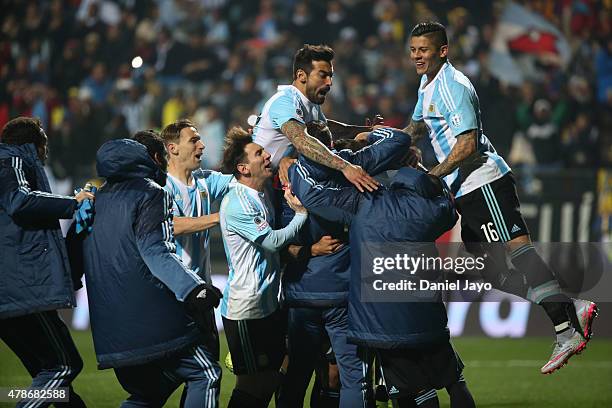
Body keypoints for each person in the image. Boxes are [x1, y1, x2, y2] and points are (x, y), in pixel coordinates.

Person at [403, 21, 597, 374]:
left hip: (484, 182)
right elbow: (416, 128)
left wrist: (433, 176)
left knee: (518, 253)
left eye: (424, 49)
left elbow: (468, 144)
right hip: (468, 190)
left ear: (442, 51)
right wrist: (378, 140)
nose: (417, 55)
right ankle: (569, 306)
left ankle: (565, 328)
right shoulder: (426, 85)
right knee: (489, 270)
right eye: (414, 49)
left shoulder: (452, 86)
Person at [287, 128, 475, 408]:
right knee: (454, 381)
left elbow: (312, 195)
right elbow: (446, 203)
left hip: (384, 320)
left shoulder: (361, 202)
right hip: (427, 312)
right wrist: (421, 172)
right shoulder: (424, 205)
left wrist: (297, 161)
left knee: (417, 390)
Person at [277, 122, 417, 408]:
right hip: (344, 295)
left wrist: (308, 249)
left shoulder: (290, 181)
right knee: (354, 377)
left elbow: (277, 245)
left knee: (297, 374)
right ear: (329, 146)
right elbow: (400, 139)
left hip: (303, 293)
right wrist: (369, 134)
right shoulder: (358, 169)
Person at [81, 131, 223, 407]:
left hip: (109, 331)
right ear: (157, 158)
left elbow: (79, 253)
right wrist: (194, 288)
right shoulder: (151, 193)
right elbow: (155, 251)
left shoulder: (95, 199)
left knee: (149, 394)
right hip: (149, 318)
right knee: (205, 372)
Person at [0, 116, 92, 408]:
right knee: (64, 365)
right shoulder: (10, 161)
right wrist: (72, 203)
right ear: (32, 144)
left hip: (12, 288)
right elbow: (20, 200)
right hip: (20, 288)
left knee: (51, 380)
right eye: (45, 144)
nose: (47, 152)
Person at [219, 127, 308, 407]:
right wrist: (300, 215)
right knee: (252, 384)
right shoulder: (238, 201)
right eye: (259, 153)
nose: (267, 154)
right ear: (243, 168)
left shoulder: (259, 193)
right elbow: (271, 241)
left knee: (270, 378)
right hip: (247, 308)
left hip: (267, 303)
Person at [253, 43, 378, 193]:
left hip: (274, 185)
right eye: (322, 75)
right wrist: (345, 167)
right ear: (301, 76)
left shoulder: (310, 103)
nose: (329, 82)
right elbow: (302, 141)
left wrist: (369, 130)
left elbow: (327, 130)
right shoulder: (285, 102)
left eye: (330, 76)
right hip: (255, 184)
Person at [161, 119, 235, 359]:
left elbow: (244, 181)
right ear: (173, 148)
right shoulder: (161, 187)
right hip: (173, 296)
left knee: (208, 371)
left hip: (202, 294)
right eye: (193, 140)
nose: (202, 146)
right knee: (183, 375)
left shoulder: (205, 181)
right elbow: (171, 225)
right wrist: (220, 217)